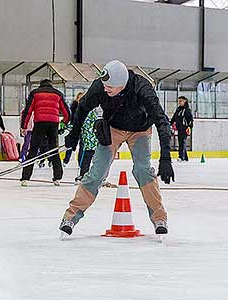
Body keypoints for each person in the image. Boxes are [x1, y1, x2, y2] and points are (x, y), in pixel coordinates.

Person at [60, 60, 174, 236]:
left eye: (110, 87)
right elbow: (82, 109)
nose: (105, 89)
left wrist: (165, 156)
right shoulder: (100, 87)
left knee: (143, 170)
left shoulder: (142, 89)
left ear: (123, 84)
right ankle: (71, 216)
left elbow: (161, 120)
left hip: (140, 130)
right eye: (104, 85)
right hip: (113, 129)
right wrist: (74, 135)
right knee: (97, 172)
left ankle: (159, 218)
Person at [20, 79, 70, 186]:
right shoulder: (58, 94)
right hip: (53, 124)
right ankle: (57, 177)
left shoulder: (35, 93)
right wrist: (65, 122)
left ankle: (25, 178)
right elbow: (67, 111)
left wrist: (23, 126)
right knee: (54, 149)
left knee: (33, 150)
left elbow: (28, 111)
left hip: (40, 123)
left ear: (40, 85)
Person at [62, 92, 84, 166]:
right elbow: (70, 116)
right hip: (75, 127)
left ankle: (80, 162)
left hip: (83, 128)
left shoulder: (86, 106)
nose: (80, 100)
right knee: (71, 143)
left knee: (82, 145)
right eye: (79, 98)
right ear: (77, 98)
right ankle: (66, 160)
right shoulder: (74, 106)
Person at [170, 96, 193, 162]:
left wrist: (189, 127)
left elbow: (190, 120)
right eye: (179, 101)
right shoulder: (178, 109)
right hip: (179, 128)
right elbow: (174, 117)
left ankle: (181, 157)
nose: (179, 102)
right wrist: (170, 123)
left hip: (185, 128)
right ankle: (185, 157)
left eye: (181, 101)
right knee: (181, 142)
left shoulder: (187, 110)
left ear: (184, 101)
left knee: (182, 142)